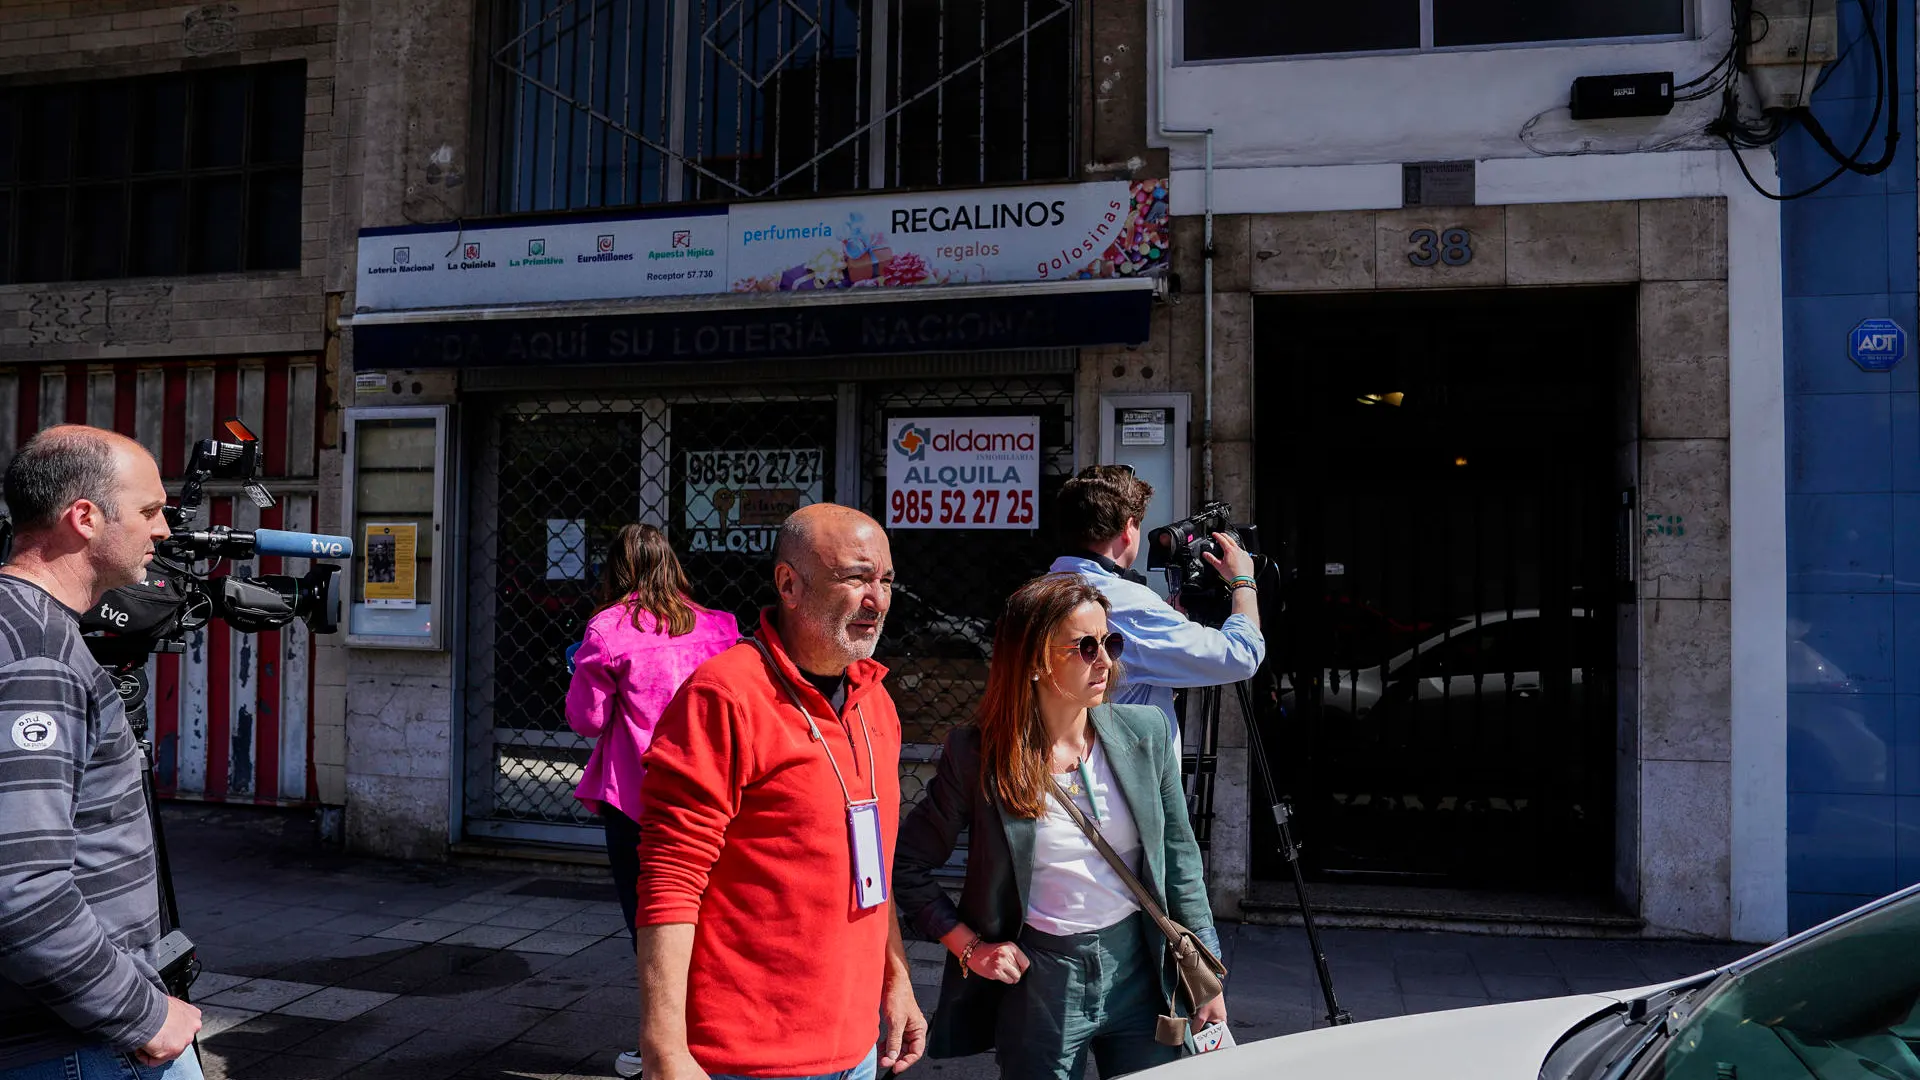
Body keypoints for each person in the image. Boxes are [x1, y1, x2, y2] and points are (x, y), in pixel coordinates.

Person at [633, 504, 926, 1080]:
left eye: (886, 580)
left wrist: (897, 979)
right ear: (789, 584)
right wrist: (664, 1048)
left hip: (858, 1046)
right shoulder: (724, 696)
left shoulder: (876, 702)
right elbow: (670, 878)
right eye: (855, 577)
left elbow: (873, 865)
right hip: (750, 1056)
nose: (878, 600)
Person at [894, 573, 1225, 1079]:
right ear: (1033, 661)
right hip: (1044, 981)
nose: (1106, 661)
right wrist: (969, 947)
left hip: (1141, 966)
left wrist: (1207, 976)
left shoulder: (1146, 733)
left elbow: (1181, 859)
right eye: (1085, 647)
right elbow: (909, 864)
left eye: (1110, 642)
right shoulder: (978, 754)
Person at [0, 426, 203, 1079]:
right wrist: (140, 1014)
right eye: (149, 511)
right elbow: (21, 887)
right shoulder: (38, 660)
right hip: (75, 1045)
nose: (164, 532)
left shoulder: (19, 625)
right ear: (84, 518)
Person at [567, 524, 739, 1079]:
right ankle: (714, 1037)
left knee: (649, 923)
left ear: (614, 570)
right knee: (711, 918)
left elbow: (587, 720)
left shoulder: (608, 629)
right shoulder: (720, 627)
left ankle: (660, 1046)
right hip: (713, 796)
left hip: (637, 799)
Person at [1048, 465, 1264, 741]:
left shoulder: (1043, 588)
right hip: (1119, 777)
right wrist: (1243, 581)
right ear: (1128, 528)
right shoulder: (1130, 604)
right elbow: (1240, 656)